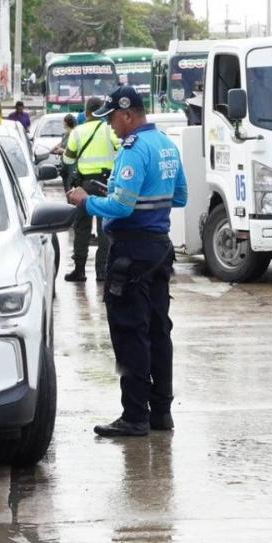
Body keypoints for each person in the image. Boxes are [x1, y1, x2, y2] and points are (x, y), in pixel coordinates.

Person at [65, 85, 187, 438]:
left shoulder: (134, 149)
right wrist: (144, 199)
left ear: (128, 114)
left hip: (131, 254)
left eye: (113, 120)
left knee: (130, 334)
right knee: (158, 331)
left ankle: (134, 415)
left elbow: (121, 208)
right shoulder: (166, 144)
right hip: (159, 250)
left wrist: (86, 202)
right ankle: (161, 412)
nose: (111, 127)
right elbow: (179, 196)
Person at [60, 97, 121, 282]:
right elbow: (121, 149)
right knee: (105, 228)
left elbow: (68, 160)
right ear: (101, 110)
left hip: (84, 186)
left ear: (86, 112)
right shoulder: (109, 129)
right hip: (106, 185)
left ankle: (79, 270)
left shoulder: (77, 132)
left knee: (82, 228)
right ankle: (102, 271)